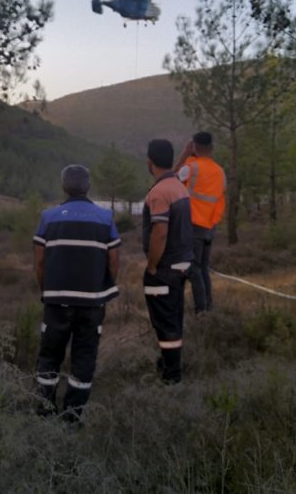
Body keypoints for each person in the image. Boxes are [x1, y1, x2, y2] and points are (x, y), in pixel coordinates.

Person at [33, 164, 121, 421]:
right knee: (84, 358)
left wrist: (46, 292)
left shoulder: (48, 217)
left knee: (49, 357)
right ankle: (72, 418)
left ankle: (44, 413)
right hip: (92, 305)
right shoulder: (105, 218)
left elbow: (39, 263)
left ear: (64, 187)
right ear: (88, 186)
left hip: (56, 302)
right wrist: (100, 289)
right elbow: (114, 261)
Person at [142, 139, 193, 385]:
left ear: (149, 161)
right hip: (181, 265)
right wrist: (184, 154)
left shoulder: (159, 193)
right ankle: (168, 364)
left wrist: (152, 266)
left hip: (164, 268)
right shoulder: (178, 186)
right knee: (172, 315)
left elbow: (160, 232)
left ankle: (171, 377)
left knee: (165, 320)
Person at [174, 131, 226, 314]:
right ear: (211, 148)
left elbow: (170, 179)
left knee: (193, 268)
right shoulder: (220, 171)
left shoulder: (190, 167)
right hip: (210, 225)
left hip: (193, 224)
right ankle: (208, 307)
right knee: (202, 267)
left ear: (194, 147)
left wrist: (184, 154)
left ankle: (201, 310)